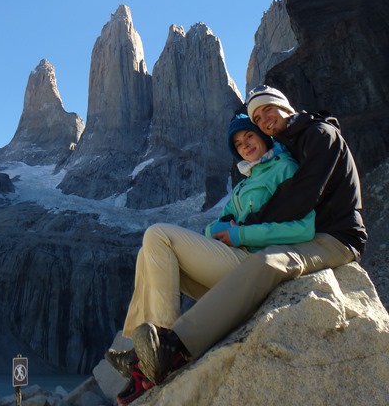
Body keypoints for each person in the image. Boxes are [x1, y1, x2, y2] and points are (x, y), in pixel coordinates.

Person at [130, 85, 367, 391]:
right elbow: (232, 216)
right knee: (155, 255)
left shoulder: (318, 134)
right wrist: (228, 227)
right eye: (257, 117)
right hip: (311, 233)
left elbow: (303, 196)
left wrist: (243, 229)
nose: (264, 119)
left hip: (336, 236)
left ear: (286, 107)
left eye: (268, 110)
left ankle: (172, 345)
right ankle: (145, 351)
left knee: (268, 262)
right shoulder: (287, 147)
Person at [106, 111, 316, 404]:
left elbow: (304, 228)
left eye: (250, 136)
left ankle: (161, 344)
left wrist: (241, 234)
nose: (245, 145)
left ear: (263, 136)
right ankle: (142, 354)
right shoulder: (244, 183)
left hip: (252, 268)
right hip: (230, 264)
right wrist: (218, 229)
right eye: (238, 143)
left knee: (157, 235)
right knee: (148, 253)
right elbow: (214, 226)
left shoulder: (285, 168)